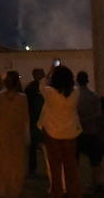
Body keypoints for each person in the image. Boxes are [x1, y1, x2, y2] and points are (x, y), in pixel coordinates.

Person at [40, 64, 83, 198]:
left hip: (52, 133)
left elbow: (42, 83)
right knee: (71, 167)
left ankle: (57, 192)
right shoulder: (75, 92)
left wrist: (50, 71)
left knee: (55, 167)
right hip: (70, 133)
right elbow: (75, 83)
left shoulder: (49, 92)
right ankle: (73, 192)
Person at [0, 71, 30, 198]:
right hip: (15, 137)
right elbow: (25, 119)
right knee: (15, 165)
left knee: (0, 165)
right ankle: (12, 190)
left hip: (1, 136)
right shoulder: (22, 99)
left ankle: (1, 189)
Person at [75, 71, 104, 193]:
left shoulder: (75, 96)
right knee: (95, 160)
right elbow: (99, 113)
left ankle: (76, 182)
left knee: (75, 159)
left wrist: (81, 119)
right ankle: (97, 182)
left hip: (78, 132)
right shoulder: (93, 95)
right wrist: (89, 119)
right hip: (91, 131)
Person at [26, 68, 47, 177]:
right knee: (39, 146)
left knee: (34, 147)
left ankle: (34, 169)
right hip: (37, 120)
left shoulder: (31, 87)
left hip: (37, 120)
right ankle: (40, 168)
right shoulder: (34, 88)